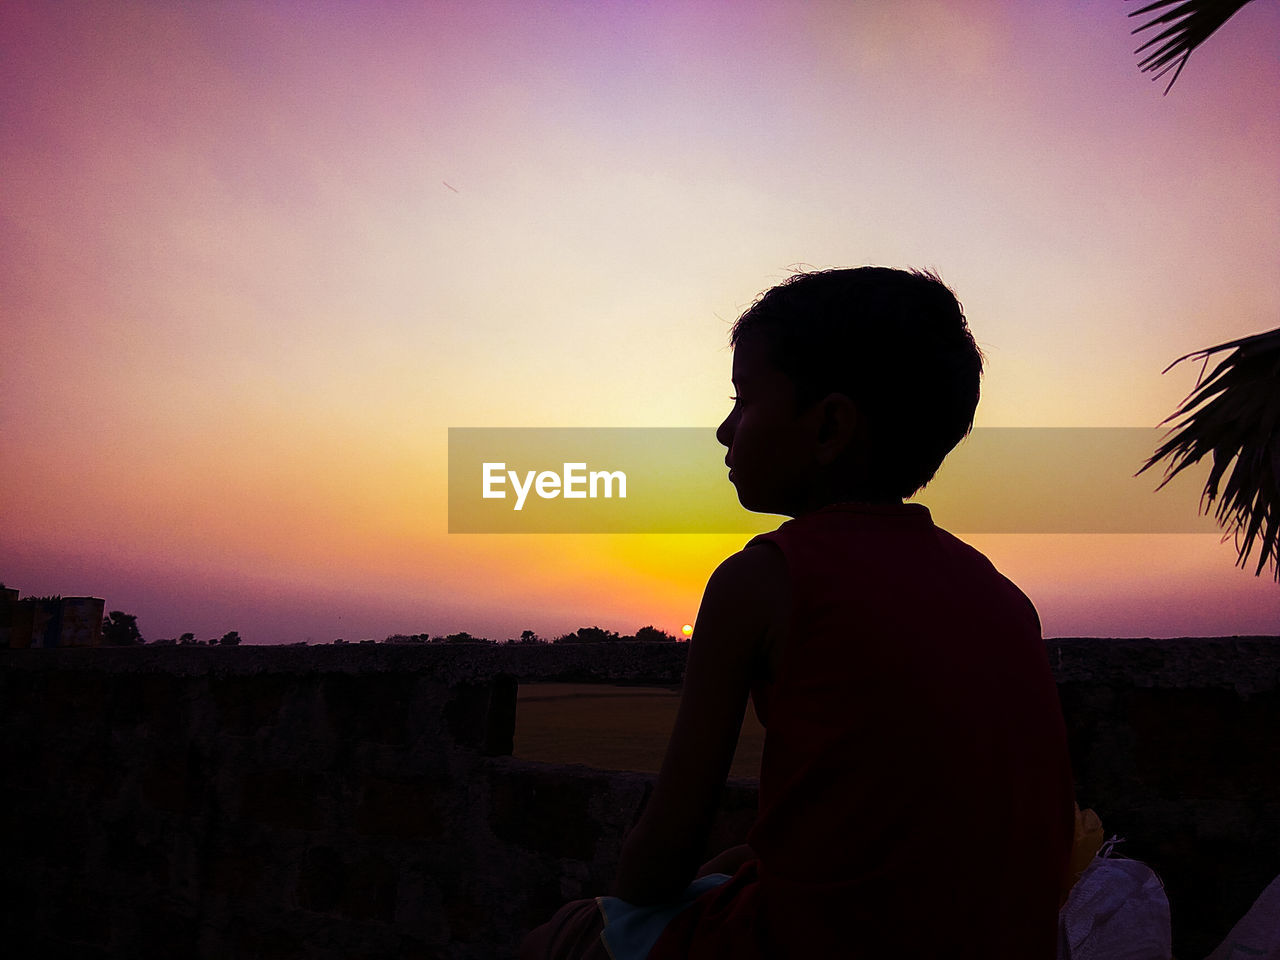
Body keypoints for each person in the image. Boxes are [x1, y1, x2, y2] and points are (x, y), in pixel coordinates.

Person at [521, 267, 1075, 959]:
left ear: (831, 426)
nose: (725, 431)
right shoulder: (1002, 594)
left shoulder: (760, 581)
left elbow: (653, 865)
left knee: (564, 937)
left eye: (744, 402)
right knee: (737, 867)